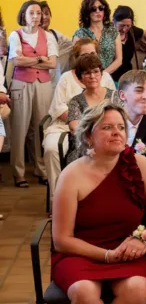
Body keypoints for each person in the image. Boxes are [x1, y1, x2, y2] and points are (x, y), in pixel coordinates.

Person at [50, 103, 146, 304]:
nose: (117, 132)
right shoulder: (71, 175)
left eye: (121, 127)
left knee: (136, 288)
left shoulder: (140, 164)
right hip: (80, 253)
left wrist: (142, 239)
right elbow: (61, 239)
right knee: (84, 291)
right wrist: (106, 256)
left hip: (127, 250)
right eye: (107, 127)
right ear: (89, 136)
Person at [43, 40, 118, 197]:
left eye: (92, 54)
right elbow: (59, 108)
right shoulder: (66, 79)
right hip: (66, 126)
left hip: (103, 131)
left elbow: (118, 114)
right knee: (52, 148)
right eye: (85, 55)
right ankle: (57, 198)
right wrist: (85, 127)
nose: (92, 75)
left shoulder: (107, 79)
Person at [8, 0, 57, 187]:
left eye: (39, 13)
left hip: (43, 84)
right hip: (21, 84)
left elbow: (52, 63)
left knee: (41, 128)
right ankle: (18, 173)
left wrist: (29, 60)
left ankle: (41, 169)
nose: (36, 16)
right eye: (32, 13)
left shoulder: (49, 36)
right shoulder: (16, 35)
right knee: (19, 129)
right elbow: (17, 61)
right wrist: (39, 59)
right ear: (24, 15)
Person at [63, 54, 114, 162]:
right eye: (87, 73)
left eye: (96, 71)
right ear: (80, 78)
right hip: (84, 148)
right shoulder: (75, 101)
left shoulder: (115, 97)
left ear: (101, 73)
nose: (92, 76)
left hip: (113, 143)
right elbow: (76, 129)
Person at [73, 0, 122, 77]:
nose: (98, 11)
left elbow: (119, 59)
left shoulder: (113, 32)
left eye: (101, 8)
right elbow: (76, 61)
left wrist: (103, 74)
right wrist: (93, 75)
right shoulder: (79, 34)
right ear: (87, 13)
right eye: (93, 9)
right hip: (87, 78)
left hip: (108, 76)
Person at [39, 1, 75, 83]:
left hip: (55, 82)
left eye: (47, 13)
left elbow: (73, 45)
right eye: (40, 14)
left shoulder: (56, 35)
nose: (44, 17)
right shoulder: (30, 37)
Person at [111, 6, 142, 82]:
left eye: (128, 25)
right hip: (110, 79)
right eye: (122, 25)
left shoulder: (134, 32)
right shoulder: (105, 35)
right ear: (113, 21)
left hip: (128, 79)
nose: (124, 29)